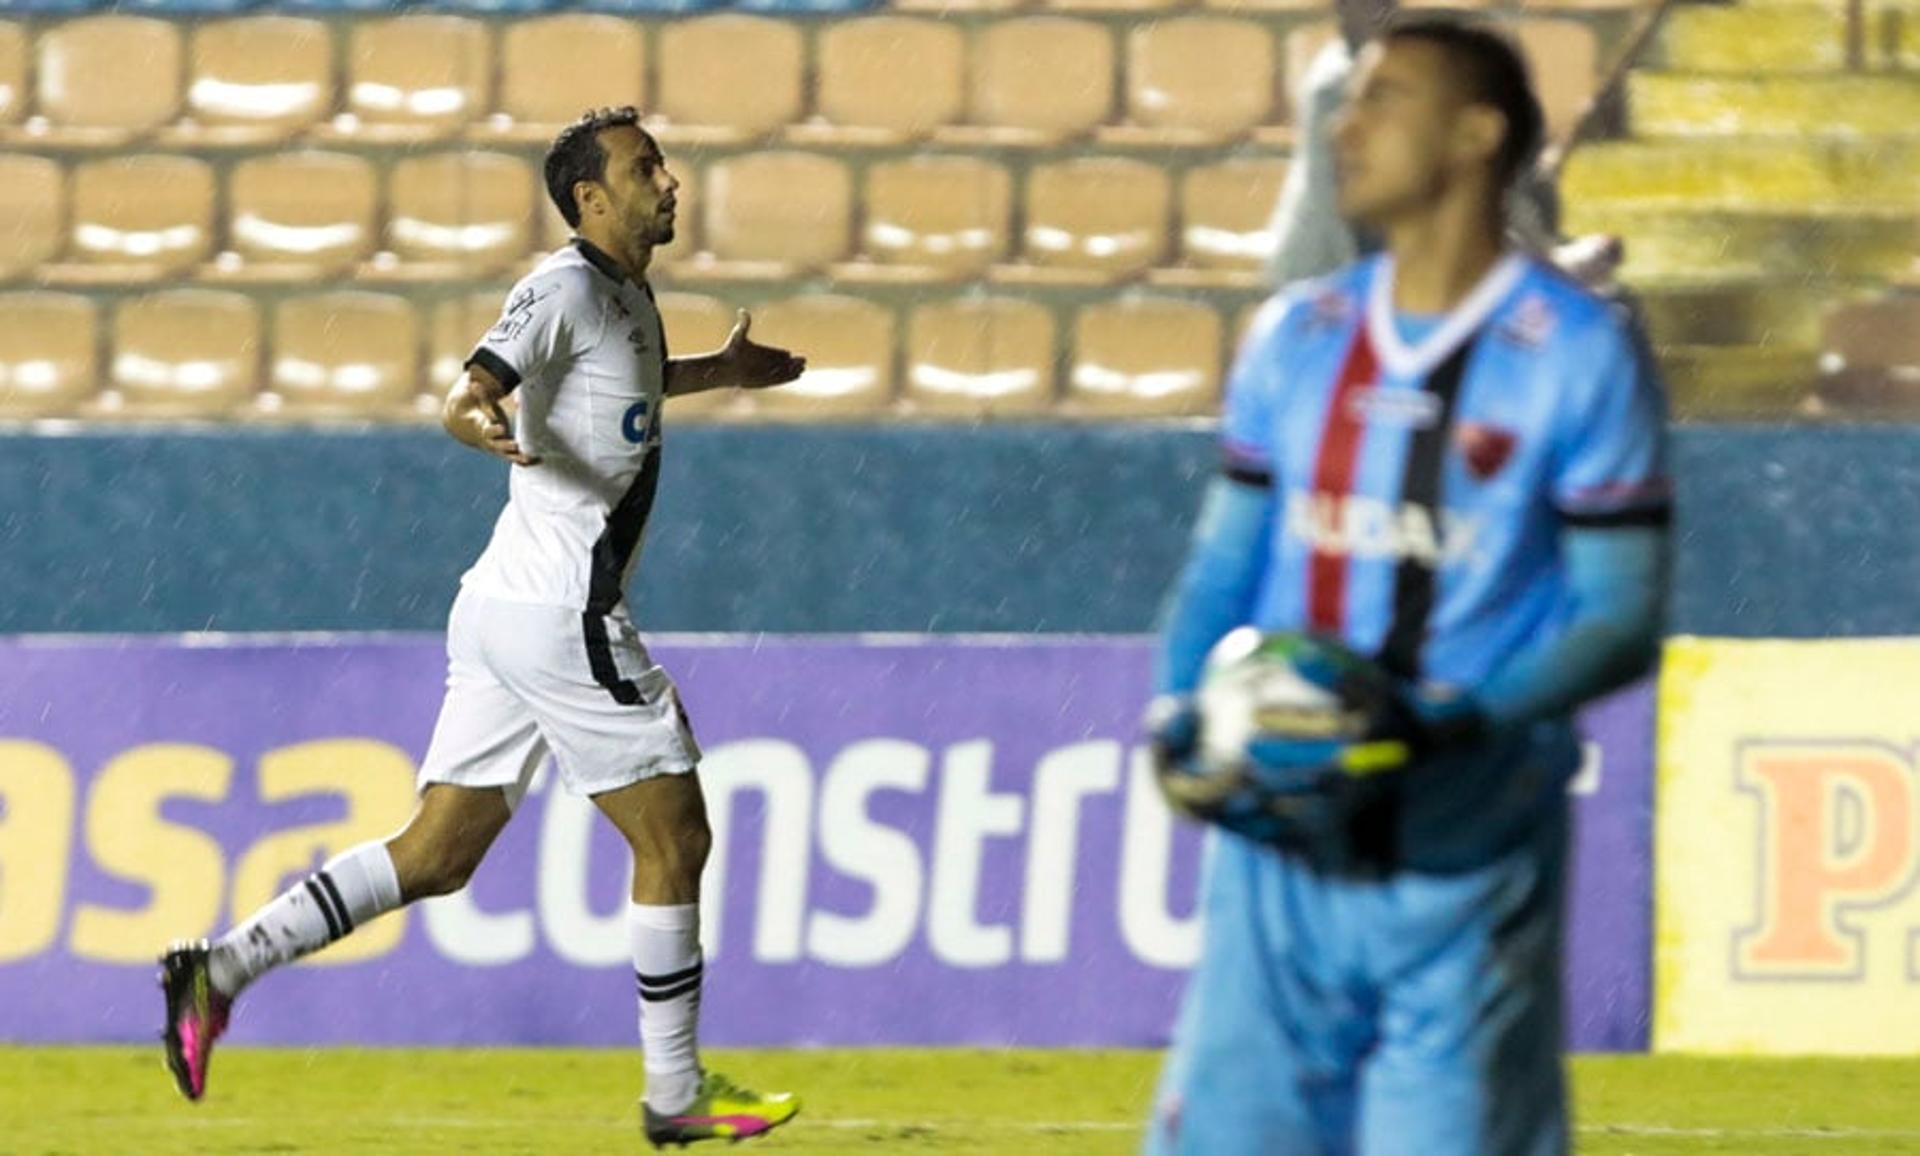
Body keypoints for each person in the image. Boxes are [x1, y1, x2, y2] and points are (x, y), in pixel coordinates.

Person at [159, 107, 807, 1149]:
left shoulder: (621, 296)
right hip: (561, 610)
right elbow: (473, 388)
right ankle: (676, 1092)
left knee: (436, 853)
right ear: (592, 198)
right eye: (648, 169)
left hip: (504, 604)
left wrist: (714, 373)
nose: (670, 181)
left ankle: (217, 969)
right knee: (676, 835)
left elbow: (611, 386)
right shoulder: (557, 289)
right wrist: (474, 417)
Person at [1143, 18, 1668, 1156]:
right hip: (1280, 860)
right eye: (1350, 98)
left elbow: (1621, 618)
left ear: (1479, 133)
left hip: (1467, 865)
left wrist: (1448, 720)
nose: (1349, 120)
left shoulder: (1578, 351)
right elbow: (1223, 567)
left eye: (1387, 98)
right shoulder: (1298, 335)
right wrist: (1177, 709)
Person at [1268, 0, 1622, 291]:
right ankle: (1533, 268)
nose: (1343, 130)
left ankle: (1532, 264)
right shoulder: (1337, 84)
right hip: (1336, 277)